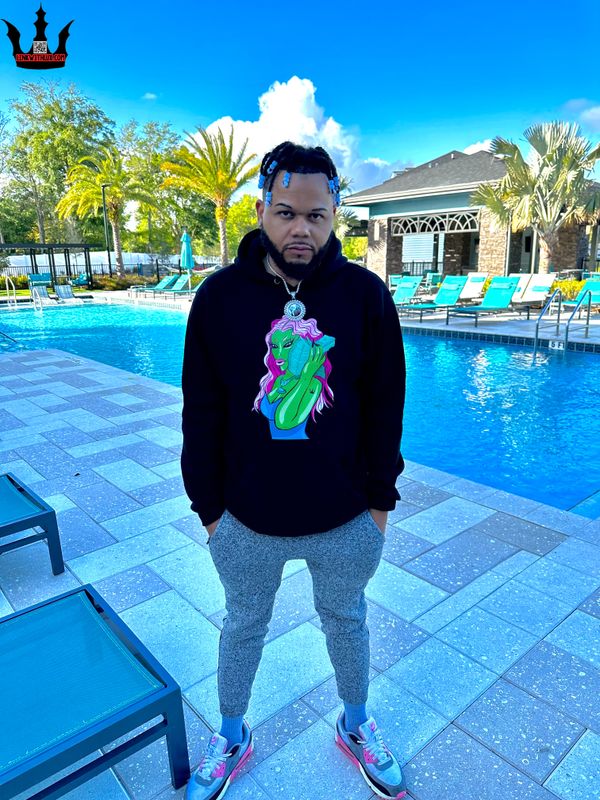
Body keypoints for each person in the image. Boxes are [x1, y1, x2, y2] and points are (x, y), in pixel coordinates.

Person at [181, 141, 407, 800]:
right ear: (261, 211)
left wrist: (379, 507)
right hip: (246, 522)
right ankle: (231, 735)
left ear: (335, 214)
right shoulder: (219, 298)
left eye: (315, 215)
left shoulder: (365, 296)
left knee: (347, 622)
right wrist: (211, 512)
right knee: (242, 627)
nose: (300, 229)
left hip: (345, 519)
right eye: (285, 213)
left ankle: (356, 724)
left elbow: (386, 405)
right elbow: (202, 411)